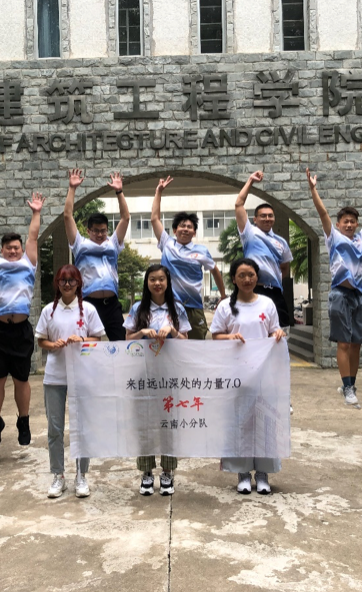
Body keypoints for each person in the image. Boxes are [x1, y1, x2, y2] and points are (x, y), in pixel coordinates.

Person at [306, 167, 362, 409]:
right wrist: (313, 189)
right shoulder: (333, 238)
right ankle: (348, 387)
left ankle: (350, 383)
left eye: (353, 221)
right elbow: (322, 212)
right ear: (339, 224)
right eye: (346, 222)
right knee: (343, 343)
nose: (350, 224)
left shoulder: (361, 239)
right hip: (340, 295)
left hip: (358, 296)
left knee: (356, 343)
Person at [210, 258, 286, 495]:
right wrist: (230, 337)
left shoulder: (267, 303)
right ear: (233, 279)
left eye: (251, 275)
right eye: (241, 275)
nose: (247, 279)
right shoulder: (225, 306)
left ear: (257, 277)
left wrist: (278, 334)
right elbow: (215, 335)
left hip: (264, 372)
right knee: (240, 422)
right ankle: (242, 473)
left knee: (265, 422)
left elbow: (274, 330)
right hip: (237, 374)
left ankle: (263, 473)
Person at [0, 190, 43, 448]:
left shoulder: (29, 264)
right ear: (2, 250)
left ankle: (23, 421)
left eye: (17, 248)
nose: (13, 251)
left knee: (21, 379)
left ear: (21, 249)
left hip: (21, 331)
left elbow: (33, 236)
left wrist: (36, 213)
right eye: (9, 248)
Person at [35, 265, 105, 498]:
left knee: (82, 428)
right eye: (63, 280)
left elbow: (98, 338)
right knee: (55, 429)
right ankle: (58, 475)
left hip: (82, 376)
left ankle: (81, 475)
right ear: (57, 283)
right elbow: (41, 340)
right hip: (54, 377)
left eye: (71, 280)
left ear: (78, 284)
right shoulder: (49, 310)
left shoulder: (88, 310)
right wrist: (53, 345)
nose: (67, 284)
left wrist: (82, 339)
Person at [124, 264, 191, 496]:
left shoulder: (177, 308)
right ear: (147, 283)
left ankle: (167, 473)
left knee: (168, 423)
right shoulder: (138, 308)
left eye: (161, 279)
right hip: (143, 375)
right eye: (152, 279)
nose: (157, 283)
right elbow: (127, 339)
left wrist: (173, 331)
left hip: (169, 375)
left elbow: (186, 341)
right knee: (144, 423)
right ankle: (146, 473)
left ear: (167, 282)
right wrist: (142, 332)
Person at [151, 176, 226, 339]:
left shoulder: (202, 250)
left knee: (196, 344)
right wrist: (159, 192)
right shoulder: (167, 243)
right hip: (169, 306)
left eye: (189, 227)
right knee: (168, 343)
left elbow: (215, 271)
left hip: (194, 306)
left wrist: (223, 295)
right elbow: (154, 218)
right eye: (182, 226)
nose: (185, 229)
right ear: (174, 230)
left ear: (194, 232)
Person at [64, 169, 130, 341]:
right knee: (88, 345)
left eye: (103, 230)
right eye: (96, 231)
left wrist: (119, 192)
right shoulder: (80, 244)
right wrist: (72, 188)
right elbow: (67, 216)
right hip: (88, 303)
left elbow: (125, 218)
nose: (100, 234)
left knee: (120, 343)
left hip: (112, 303)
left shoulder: (113, 243)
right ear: (88, 231)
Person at [234, 172, 293, 331]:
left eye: (270, 216)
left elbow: (285, 268)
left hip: (275, 291)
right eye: (263, 216)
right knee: (254, 329)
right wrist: (250, 181)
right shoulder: (249, 233)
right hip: (254, 289)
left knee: (281, 330)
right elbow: (239, 204)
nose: (267, 219)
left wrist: (273, 278)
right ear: (255, 219)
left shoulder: (281, 242)